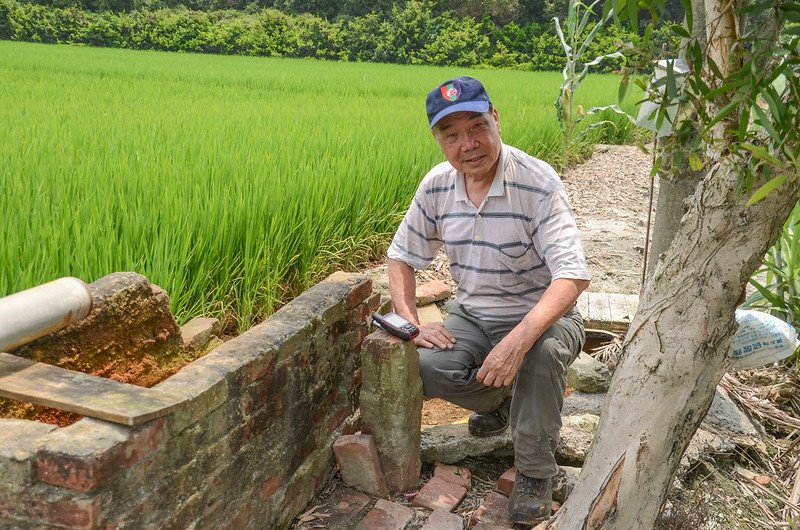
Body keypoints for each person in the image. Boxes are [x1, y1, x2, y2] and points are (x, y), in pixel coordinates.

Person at [387, 76, 590, 525]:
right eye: (452, 134)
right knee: (427, 365)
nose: (469, 144)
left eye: (477, 126)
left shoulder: (537, 183)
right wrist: (411, 322)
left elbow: (572, 275)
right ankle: (503, 404)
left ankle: (536, 472)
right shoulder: (438, 186)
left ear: (496, 119)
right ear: (438, 139)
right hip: (474, 313)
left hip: (543, 316)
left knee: (541, 357)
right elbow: (401, 257)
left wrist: (517, 341)